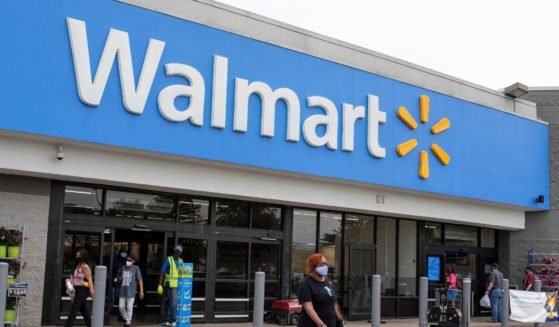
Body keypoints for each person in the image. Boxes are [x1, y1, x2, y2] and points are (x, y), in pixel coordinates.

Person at [297, 253, 343, 327]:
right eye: (322, 264)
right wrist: (321, 325)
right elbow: (308, 308)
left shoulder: (329, 282)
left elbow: (334, 304)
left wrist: (340, 320)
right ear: (313, 266)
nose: (325, 266)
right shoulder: (305, 284)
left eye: (326, 264)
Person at [65, 249, 95, 327]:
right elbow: (75, 277)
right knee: (84, 311)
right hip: (76, 290)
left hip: (82, 290)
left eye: (78, 255)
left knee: (73, 310)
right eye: (76, 255)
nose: (76, 257)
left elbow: (90, 280)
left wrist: (92, 292)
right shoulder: (78, 265)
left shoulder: (86, 267)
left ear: (83, 257)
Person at [158, 245, 184, 327]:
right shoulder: (169, 259)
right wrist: (160, 285)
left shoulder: (181, 260)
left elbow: (183, 273)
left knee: (170, 302)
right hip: (169, 284)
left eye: (180, 251)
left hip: (176, 285)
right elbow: (162, 271)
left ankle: (165, 320)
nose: (178, 253)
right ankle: (172, 320)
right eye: (177, 251)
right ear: (174, 251)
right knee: (174, 302)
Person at [118, 255, 144, 327]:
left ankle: (128, 321)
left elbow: (140, 280)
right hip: (123, 290)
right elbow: (119, 276)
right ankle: (127, 319)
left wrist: (141, 291)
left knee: (129, 307)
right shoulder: (123, 268)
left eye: (129, 260)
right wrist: (118, 278)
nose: (127, 262)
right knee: (121, 306)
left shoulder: (136, 268)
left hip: (131, 290)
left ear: (133, 261)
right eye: (127, 260)